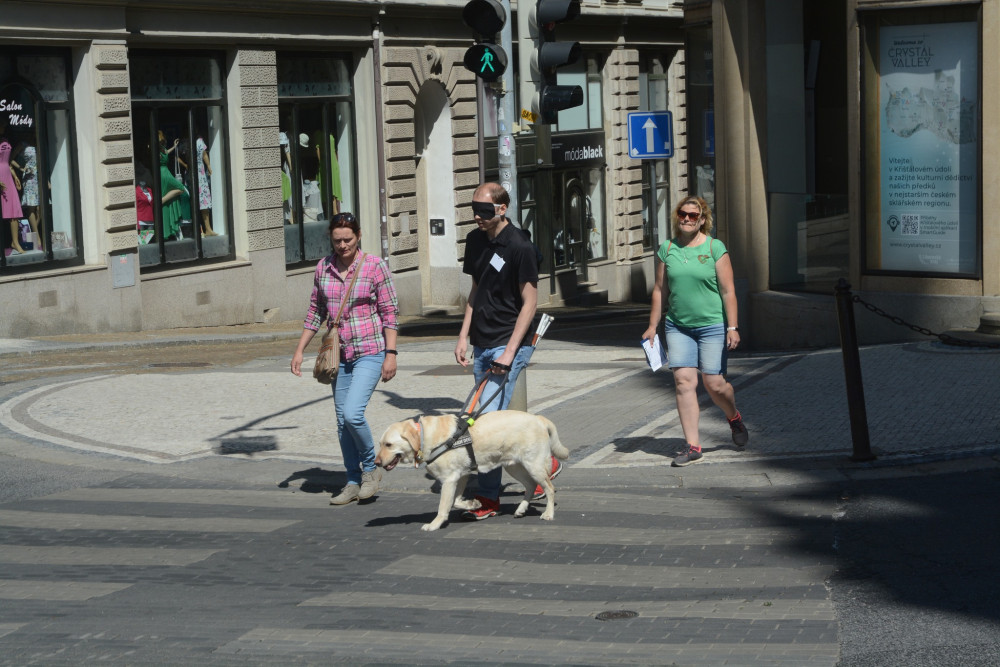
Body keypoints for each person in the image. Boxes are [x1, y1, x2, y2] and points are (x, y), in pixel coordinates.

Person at [455, 182, 560, 520]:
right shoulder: (474, 240)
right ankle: (543, 467)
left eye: (484, 211)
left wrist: (510, 352)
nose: (477, 216)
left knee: (485, 423)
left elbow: (530, 303)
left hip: (508, 342)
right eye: (473, 209)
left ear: (502, 209)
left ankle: (488, 499)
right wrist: (462, 336)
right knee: (481, 417)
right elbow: (475, 291)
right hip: (482, 341)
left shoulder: (520, 246)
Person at [290, 212, 399, 505]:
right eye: (337, 240)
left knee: (352, 414)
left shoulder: (375, 267)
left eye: (347, 239)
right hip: (340, 356)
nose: (342, 246)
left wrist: (391, 354)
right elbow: (315, 312)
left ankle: (370, 468)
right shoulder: (323, 268)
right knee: (341, 422)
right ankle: (352, 480)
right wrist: (300, 349)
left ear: (358, 236)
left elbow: (390, 313)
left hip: (370, 351)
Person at [642, 195, 749, 467]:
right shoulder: (667, 249)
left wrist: (732, 326)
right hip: (677, 326)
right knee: (684, 382)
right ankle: (692, 445)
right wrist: (653, 325)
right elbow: (659, 290)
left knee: (714, 384)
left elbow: (728, 291)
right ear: (677, 216)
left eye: (693, 215)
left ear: (702, 219)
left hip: (712, 326)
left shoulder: (715, 248)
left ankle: (733, 417)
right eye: (683, 214)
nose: (687, 219)